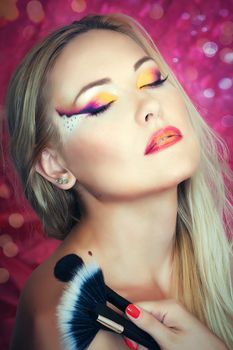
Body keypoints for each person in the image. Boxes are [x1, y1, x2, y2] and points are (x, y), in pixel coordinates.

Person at [4, 12, 233, 350]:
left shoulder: (219, 262)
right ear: (55, 166)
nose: (150, 105)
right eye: (101, 104)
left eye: (152, 80)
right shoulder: (63, 322)